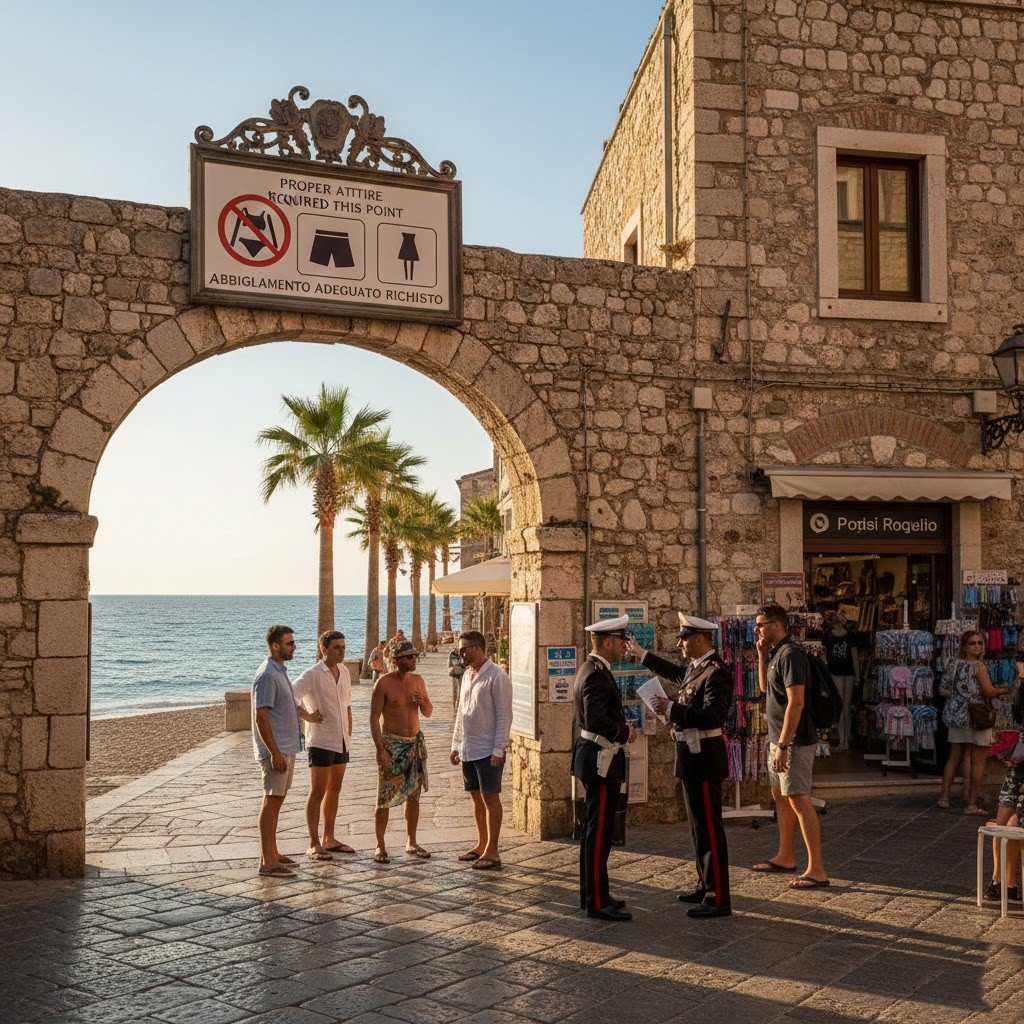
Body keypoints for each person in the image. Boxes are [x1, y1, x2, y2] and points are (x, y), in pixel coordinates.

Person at [627, 613, 734, 918]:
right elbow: (677, 675)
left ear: (700, 639)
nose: (681, 644)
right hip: (690, 754)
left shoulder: (717, 673)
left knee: (710, 827)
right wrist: (643, 655)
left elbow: (714, 716)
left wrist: (673, 708)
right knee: (697, 825)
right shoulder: (697, 668)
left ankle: (719, 897)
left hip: (705, 756)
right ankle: (705, 883)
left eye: (685, 639)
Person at [752, 604, 829, 890]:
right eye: (756, 625)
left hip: (793, 740)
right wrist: (761, 656)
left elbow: (796, 702)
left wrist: (784, 744)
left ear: (777, 624)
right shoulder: (775, 654)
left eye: (761, 624)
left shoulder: (792, 654)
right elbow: (763, 689)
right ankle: (785, 856)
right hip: (777, 739)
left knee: (798, 798)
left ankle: (817, 869)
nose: (757, 629)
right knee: (780, 796)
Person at [573, 614, 637, 922]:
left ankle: (595, 891)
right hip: (600, 758)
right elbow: (596, 717)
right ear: (608, 642)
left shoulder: (593, 668)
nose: (625, 646)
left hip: (596, 757)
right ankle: (596, 902)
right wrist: (625, 732)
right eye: (622, 641)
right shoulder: (597, 674)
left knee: (594, 831)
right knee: (598, 833)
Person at [252, 625, 319, 879]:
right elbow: (261, 717)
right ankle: (267, 862)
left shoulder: (280, 672)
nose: (294, 646)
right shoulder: (267, 675)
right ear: (275, 646)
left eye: (293, 642)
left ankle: (273, 853)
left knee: (276, 801)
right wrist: (274, 752)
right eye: (290, 643)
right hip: (276, 751)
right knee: (271, 801)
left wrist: (310, 717)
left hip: (286, 748)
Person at [450, 630, 513, 870]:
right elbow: (461, 712)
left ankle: (493, 851)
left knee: (490, 798)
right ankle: (481, 845)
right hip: (469, 747)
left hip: (488, 748)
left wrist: (499, 748)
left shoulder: (497, 676)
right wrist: (456, 744)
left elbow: (505, 715)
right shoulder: (467, 675)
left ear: (477, 649)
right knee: (476, 798)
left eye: (464, 649)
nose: (461, 654)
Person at [292, 630, 355, 861]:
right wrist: (308, 716)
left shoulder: (345, 672)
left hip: (341, 740)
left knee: (335, 788)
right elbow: (291, 695)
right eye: (337, 647)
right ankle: (313, 842)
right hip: (320, 740)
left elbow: (346, 702)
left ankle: (329, 838)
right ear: (324, 649)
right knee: (318, 790)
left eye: (343, 646)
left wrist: (349, 728)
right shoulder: (313, 675)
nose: (342, 651)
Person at [370, 639, 433, 863]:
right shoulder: (384, 683)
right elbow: (373, 718)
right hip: (392, 745)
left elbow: (428, 711)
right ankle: (380, 845)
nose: (413, 659)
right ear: (396, 661)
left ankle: (411, 841)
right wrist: (380, 750)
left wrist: (422, 703)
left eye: (414, 656)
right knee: (384, 797)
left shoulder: (418, 680)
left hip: (414, 744)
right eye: (409, 657)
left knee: (414, 797)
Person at [938, 630, 1013, 814]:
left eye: (980, 643)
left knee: (954, 757)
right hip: (976, 717)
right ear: (965, 646)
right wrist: (1005, 690)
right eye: (973, 643)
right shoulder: (979, 666)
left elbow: (942, 689)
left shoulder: (952, 664)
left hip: (956, 715)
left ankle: (944, 797)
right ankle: (971, 804)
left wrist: (959, 697)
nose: (977, 646)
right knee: (979, 760)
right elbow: (988, 692)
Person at [986, 672, 1024, 901]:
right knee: (1002, 825)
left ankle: (1008, 882)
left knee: (1015, 825)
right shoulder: (1020, 695)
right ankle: (999, 881)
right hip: (1016, 772)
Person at [823, 611, 859, 751]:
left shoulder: (850, 636)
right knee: (843, 707)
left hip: (846, 672)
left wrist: (858, 675)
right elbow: (825, 656)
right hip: (837, 672)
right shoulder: (828, 636)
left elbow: (854, 656)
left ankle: (845, 741)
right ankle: (842, 741)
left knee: (846, 706)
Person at [447, 643, 466, 712]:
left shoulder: (453, 654)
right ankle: (456, 706)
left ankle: (456, 706)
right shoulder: (455, 654)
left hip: (457, 673)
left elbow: (449, 665)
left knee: (457, 690)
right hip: (457, 674)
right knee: (458, 690)